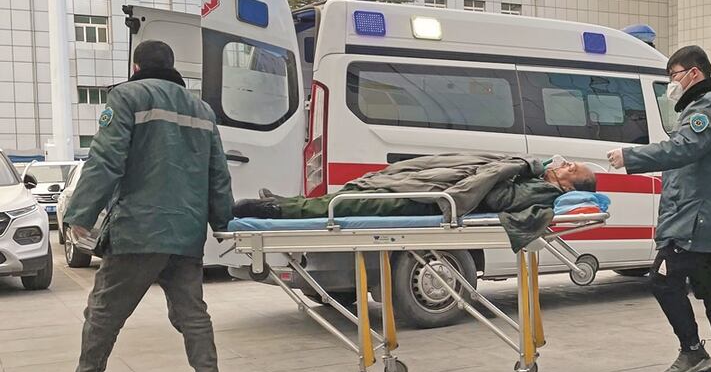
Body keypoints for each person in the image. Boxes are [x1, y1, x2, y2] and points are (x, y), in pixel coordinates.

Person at [36, 41, 234, 372]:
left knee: (104, 310)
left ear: (136, 65)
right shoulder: (202, 110)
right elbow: (217, 174)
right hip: (187, 232)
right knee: (191, 312)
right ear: (172, 66)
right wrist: (223, 222)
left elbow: (106, 159)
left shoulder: (128, 97)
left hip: (141, 229)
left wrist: (79, 213)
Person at [607, 45, 711, 372]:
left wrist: (632, 157)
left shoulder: (707, 107)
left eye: (674, 76)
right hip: (701, 215)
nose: (672, 83)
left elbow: (684, 148)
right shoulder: (703, 106)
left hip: (695, 218)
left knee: (663, 279)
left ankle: (693, 349)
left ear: (694, 73)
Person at [233, 153, 596, 220]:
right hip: (433, 192)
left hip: (429, 204)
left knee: (349, 204)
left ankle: (271, 211)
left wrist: (513, 168)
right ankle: (285, 203)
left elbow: (499, 197)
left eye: (570, 167)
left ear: (568, 185)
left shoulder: (542, 190)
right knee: (353, 193)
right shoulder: (537, 179)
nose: (562, 163)